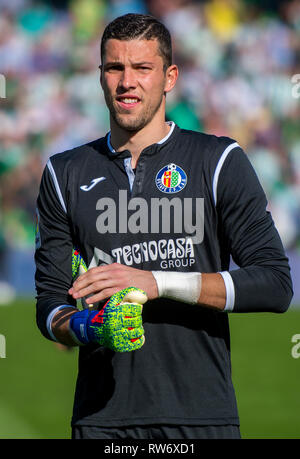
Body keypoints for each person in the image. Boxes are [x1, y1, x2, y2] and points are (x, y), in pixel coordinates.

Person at [34, 13, 293, 440]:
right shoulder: (63, 173)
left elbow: (275, 285)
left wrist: (157, 281)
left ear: (169, 76)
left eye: (142, 68)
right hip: (102, 421)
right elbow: (49, 306)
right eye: (115, 67)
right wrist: (86, 327)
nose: (126, 82)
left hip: (201, 416)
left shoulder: (218, 161)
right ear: (100, 75)